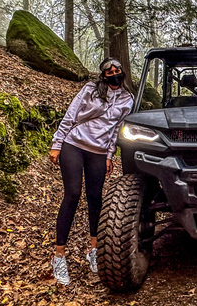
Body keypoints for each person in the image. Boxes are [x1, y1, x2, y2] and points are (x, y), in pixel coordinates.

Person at [48, 57, 134, 285]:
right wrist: (57, 144)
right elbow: (71, 114)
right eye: (110, 71)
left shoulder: (127, 98)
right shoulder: (91, 89)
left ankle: (94, 250)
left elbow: (117, 129)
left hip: (98, 151)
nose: (114, 73)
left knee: (96, 198)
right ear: (103, 74)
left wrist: (109, 155)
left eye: (117, 70)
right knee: (73, 193)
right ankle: (59, 256)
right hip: (74, 144)